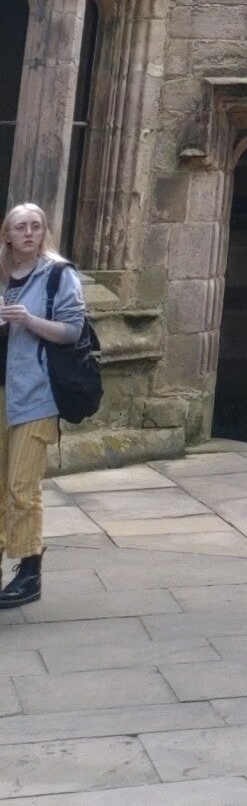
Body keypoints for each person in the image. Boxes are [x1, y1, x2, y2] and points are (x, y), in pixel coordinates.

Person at [0, 204, 84, 610]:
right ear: (8, 235)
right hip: (1, 390)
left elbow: (73, 331)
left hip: (36, 393)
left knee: (21, 486)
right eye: (21, 227)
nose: (29, 233)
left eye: (36, 226)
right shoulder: (1, 274)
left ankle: (30, 571)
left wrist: (29, 320)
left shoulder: (58, 274)